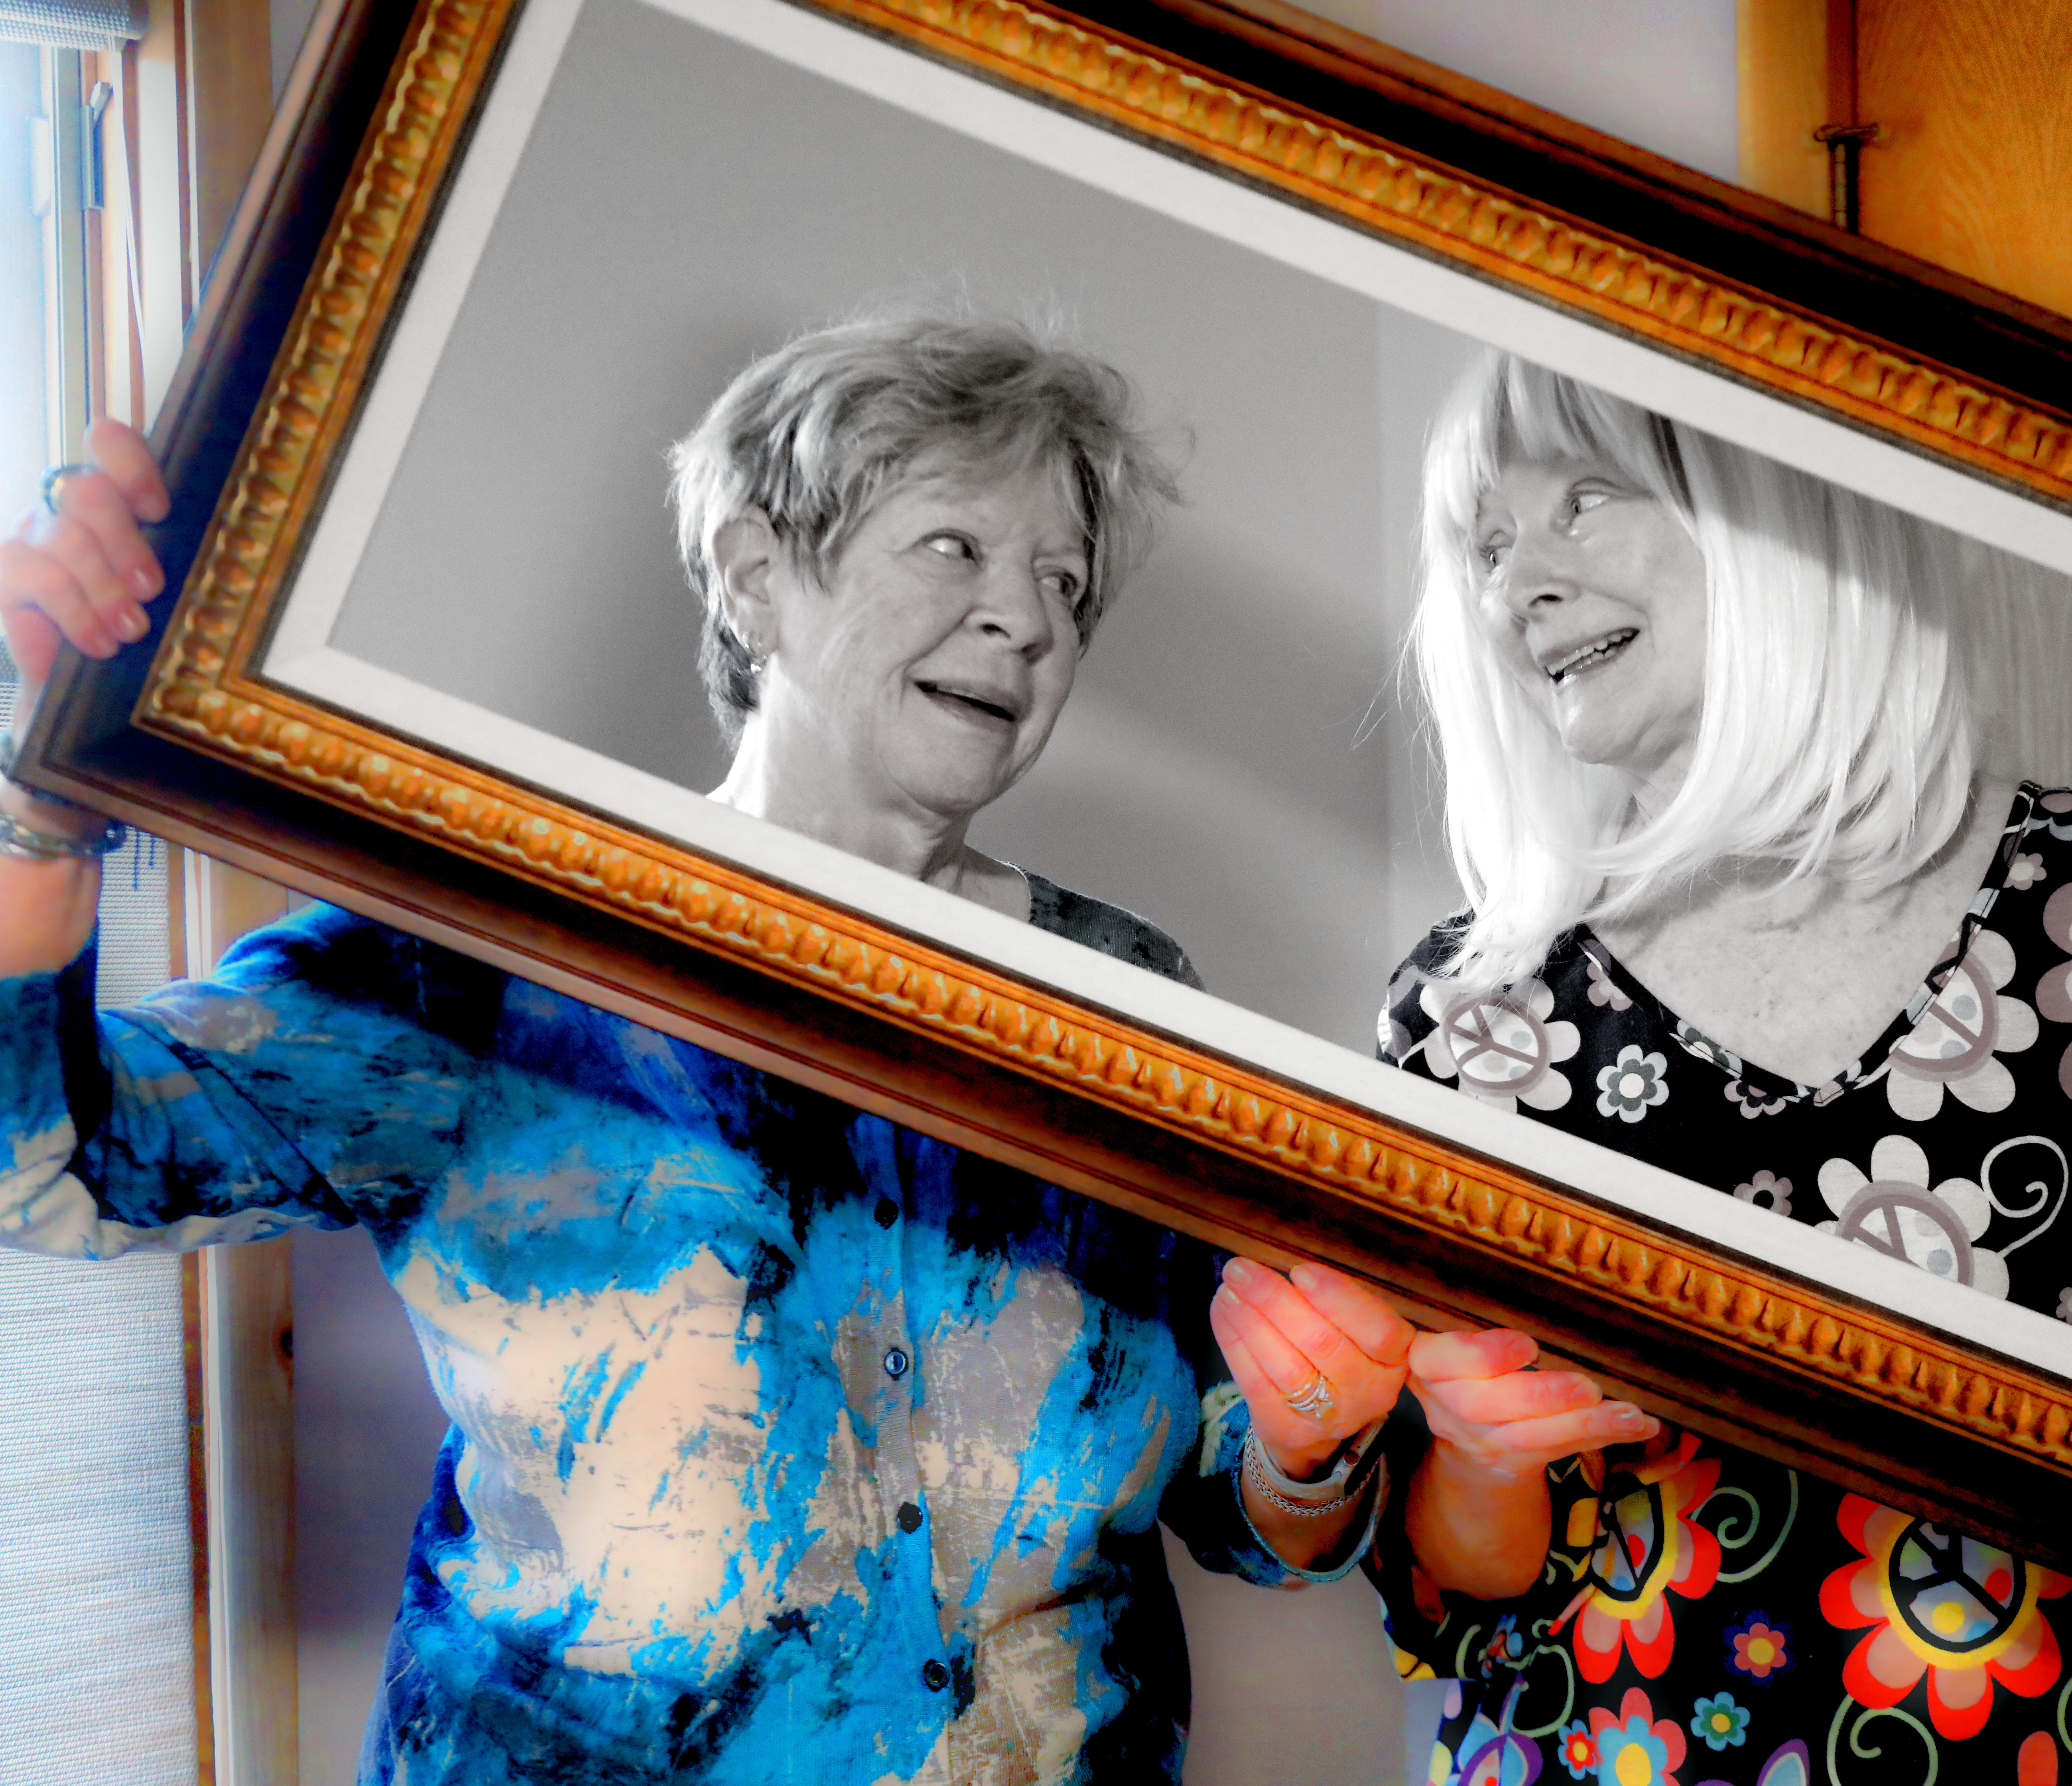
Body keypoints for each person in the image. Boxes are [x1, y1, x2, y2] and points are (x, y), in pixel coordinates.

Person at [0, 311, 1412, 1784]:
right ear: (754, 577)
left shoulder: (1126, 997)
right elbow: (41, 1163)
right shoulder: (492, 952)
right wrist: (43, 784)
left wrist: (1311, 1439)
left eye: (1065, 581)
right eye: (955, 546)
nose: (1027, 619)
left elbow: (1250, 1511)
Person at [1236, 354, 2072, 1786]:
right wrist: (1480, 1458)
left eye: (1584, 498)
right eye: (1488, 542)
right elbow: (1462, 1588)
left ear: (1769, 498)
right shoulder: (1467, 1019)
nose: (1517, 582)